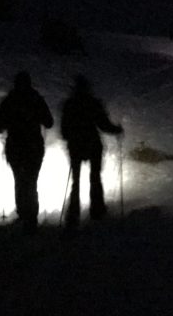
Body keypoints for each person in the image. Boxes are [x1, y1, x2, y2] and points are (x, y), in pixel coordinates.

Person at [60, 75, 123, 230]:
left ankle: (73, 215)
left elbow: (64, 131)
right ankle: (97, 210)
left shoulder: (70, 104)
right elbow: (103, 124)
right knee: (95, 177)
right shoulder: (93, 103)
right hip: (93, 144)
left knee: (75, 181)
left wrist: (71, 136)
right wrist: (117, 129)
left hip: (75, 146)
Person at [0, 71, 53, 232]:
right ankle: (31, 218)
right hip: (34, 147)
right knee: (31, 181)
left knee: (20, 181)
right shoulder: (36, 99)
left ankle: (22, 213)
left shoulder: (9, 100)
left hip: (15, 147)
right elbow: (49, 122)